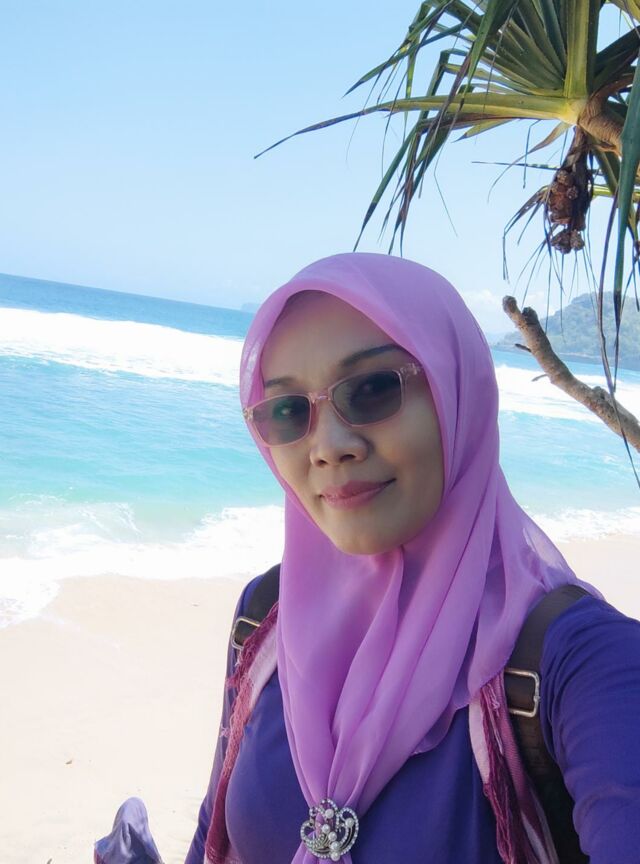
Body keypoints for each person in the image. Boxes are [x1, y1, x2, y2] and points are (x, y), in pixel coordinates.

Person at [97, 253, 640, 864]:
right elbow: (213, 834)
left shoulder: (587, 666)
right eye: (288, 411)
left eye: (374, 389)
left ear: (458, 393)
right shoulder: (268, 619)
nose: (328, 447)